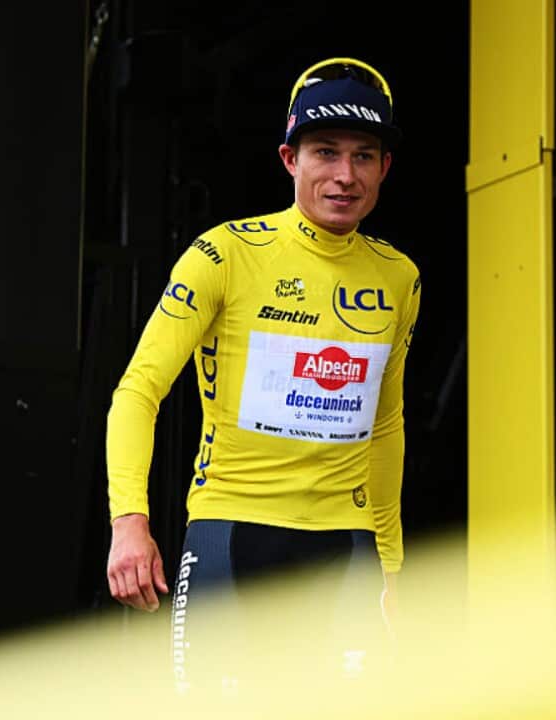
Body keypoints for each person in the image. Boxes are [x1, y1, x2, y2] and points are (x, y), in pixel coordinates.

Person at [104, 57, 420, 692]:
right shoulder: (224, 254)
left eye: (364, 156)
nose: (344, 175)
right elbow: (138, 390)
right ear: (289, 160)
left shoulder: (399, 277)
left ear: (384, 168)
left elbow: (385, 427)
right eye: (325, 152)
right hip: (233, 534)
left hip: (347, 543)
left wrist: (391, 568)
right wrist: (129, 525)